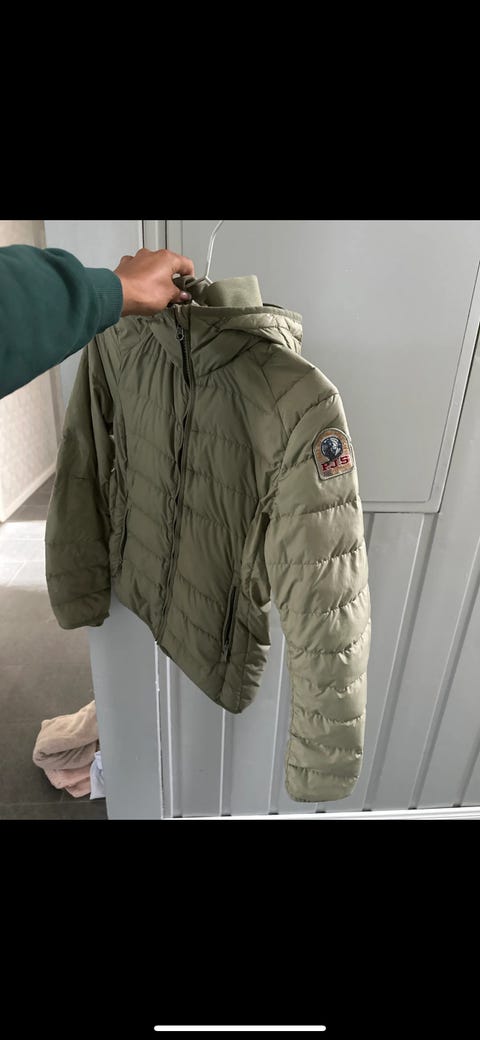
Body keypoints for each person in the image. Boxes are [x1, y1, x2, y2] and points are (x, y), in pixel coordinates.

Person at [0, 244, 195, 399]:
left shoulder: (110, 318)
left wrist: (120, 288)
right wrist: (118, 289)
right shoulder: (119, 328)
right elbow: (86, 423)